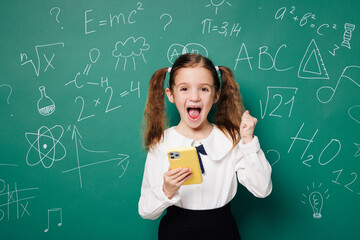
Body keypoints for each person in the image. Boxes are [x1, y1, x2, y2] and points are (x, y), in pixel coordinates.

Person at [138, 53, 272, 240]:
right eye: (184, 89)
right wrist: (166, 190)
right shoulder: (161, 143)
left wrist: (248, 141)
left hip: (222, 230)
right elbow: (145, 211)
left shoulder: (231, 138)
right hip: (176, 231)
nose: (194, 97)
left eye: (204, 89)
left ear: (216, 94)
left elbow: (262, 189)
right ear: (171, 95)